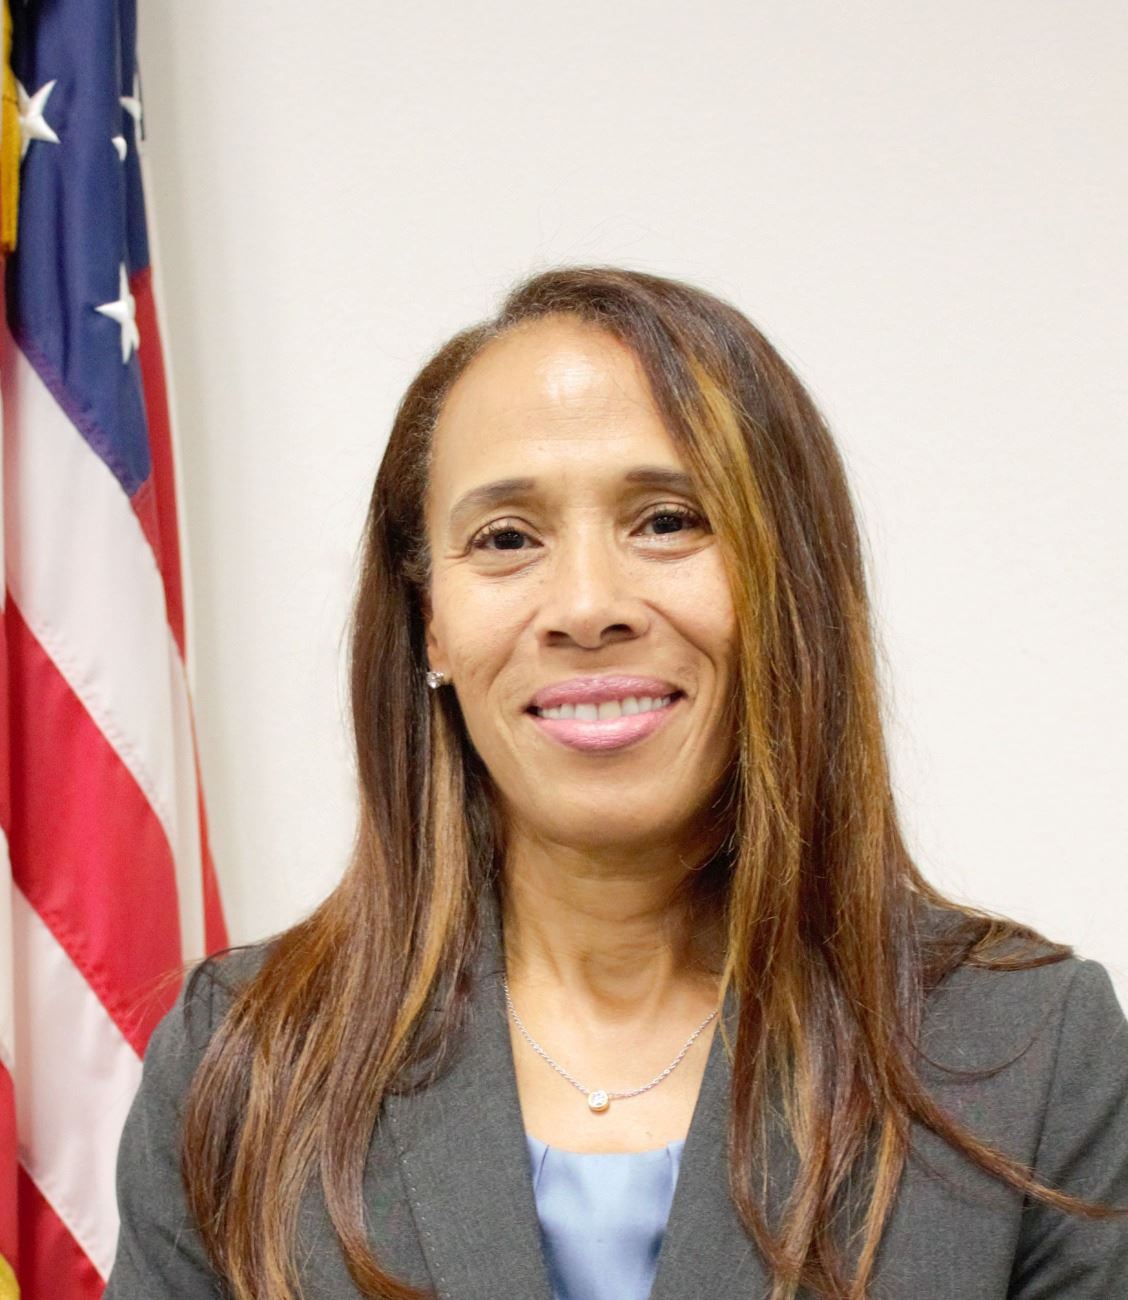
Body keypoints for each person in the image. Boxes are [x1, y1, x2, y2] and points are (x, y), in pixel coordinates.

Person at [104, 267, 1128, 1300]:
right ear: (430, 623)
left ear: (790, 585)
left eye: (669, 519)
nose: (588, 605)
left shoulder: (1032, 1051)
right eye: (506, 539)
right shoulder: (242, 1062)